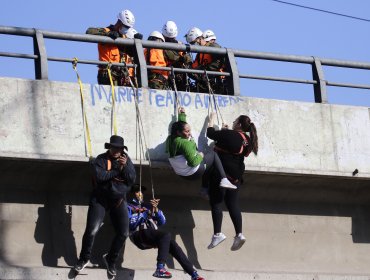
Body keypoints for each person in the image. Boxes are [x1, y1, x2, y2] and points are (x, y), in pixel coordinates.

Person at [74, 135, 136, 278]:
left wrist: (125, 166)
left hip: (118, 200)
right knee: (92, 230)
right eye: (114, 147)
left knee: (124, 233)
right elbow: (100, 177)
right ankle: (83, 258)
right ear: (109, 147)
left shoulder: (126, 160)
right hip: (100, 200)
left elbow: (132, 179)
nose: (116, 151)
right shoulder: (100, 160)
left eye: (119, 148)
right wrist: (117, 169)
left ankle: (111, 260)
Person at [128, 185, 205, 280]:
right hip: (138, 234)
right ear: (132, 193)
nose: (140, 194)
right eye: (137, 191)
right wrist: (143, 213)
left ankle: (193, 274)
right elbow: (130, 223)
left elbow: (162, 222)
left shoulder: (148, 206)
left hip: (150, 235)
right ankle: (160, 268)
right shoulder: (128, 206)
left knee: (172, 244)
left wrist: (155, 210)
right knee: (166, 235)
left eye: (141, 192)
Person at [206, 113, 258, 251]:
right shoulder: (247, 139)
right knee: (232, 204)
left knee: (216, 202)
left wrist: (210, 121)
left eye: (235, 121)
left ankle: (217, 233)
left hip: (223, 174)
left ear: (239, 124)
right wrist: (225, 131)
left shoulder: (230, 134)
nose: (233, 122)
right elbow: (230, 144)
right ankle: (239, 234)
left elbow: (210, 134)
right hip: (236, 177)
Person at [165, 107, 237, 198]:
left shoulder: (171, 138)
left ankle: (204, 189)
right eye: (187, 131)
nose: (190, 133)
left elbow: (181, 126)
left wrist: (182, 115)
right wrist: (201, 155)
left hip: (181, 174)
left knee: (208, 164)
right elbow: (193, 162)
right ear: (179, 133)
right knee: (212, 155)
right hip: (193, 173)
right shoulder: (185, 144)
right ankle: (224, 179)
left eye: (189, 130)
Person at [86, 10, 139, 86]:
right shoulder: (107, 31)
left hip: (119, 75)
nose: (126, 29)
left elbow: (131, 53)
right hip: (106, 74)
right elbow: (89, 31)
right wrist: (107, 34)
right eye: (125, 26)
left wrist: (136, 41)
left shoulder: (124, 37)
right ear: (120, 22)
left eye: (128, 27)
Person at [185, 28, 225, 94]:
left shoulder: (213, 46)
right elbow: (194, 69)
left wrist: (205, 70)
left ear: (199, 39)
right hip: (205, 85)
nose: (194, 45)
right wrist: (187, 65)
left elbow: (219, 61)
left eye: (194, 42)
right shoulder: (200, 54)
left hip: (216, 82)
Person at [161, 21, 192, 91]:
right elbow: (188, 62)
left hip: (168, 79)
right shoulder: (181, 46)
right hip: (178, 79)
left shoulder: (160, 45)